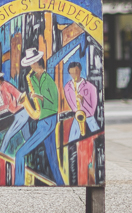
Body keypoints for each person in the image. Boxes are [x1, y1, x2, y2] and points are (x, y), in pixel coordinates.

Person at [11, 49, 64, 186]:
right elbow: (37, 106)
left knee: (20, 154)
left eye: (31, 63)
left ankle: (18, 184)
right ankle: (61, 183)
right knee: (52, 158)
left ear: (36, 62)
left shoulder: (48, 80)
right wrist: (31, 101)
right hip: (43, 119)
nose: (30, 66)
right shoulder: (33, 78)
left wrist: (39, 97)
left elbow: (54, 103)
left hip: (49, 119)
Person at [63, 61, 98, 141]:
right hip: (78, 115)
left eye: (76, 71)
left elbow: (92, 110)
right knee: (72, 139)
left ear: (80, 71)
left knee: (97, 136)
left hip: (89, 116)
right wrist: (77, 111)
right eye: (71, 73)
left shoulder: (91, 87)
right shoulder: (67, 87)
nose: (74, 74)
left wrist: (83, 101)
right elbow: (70, 103)